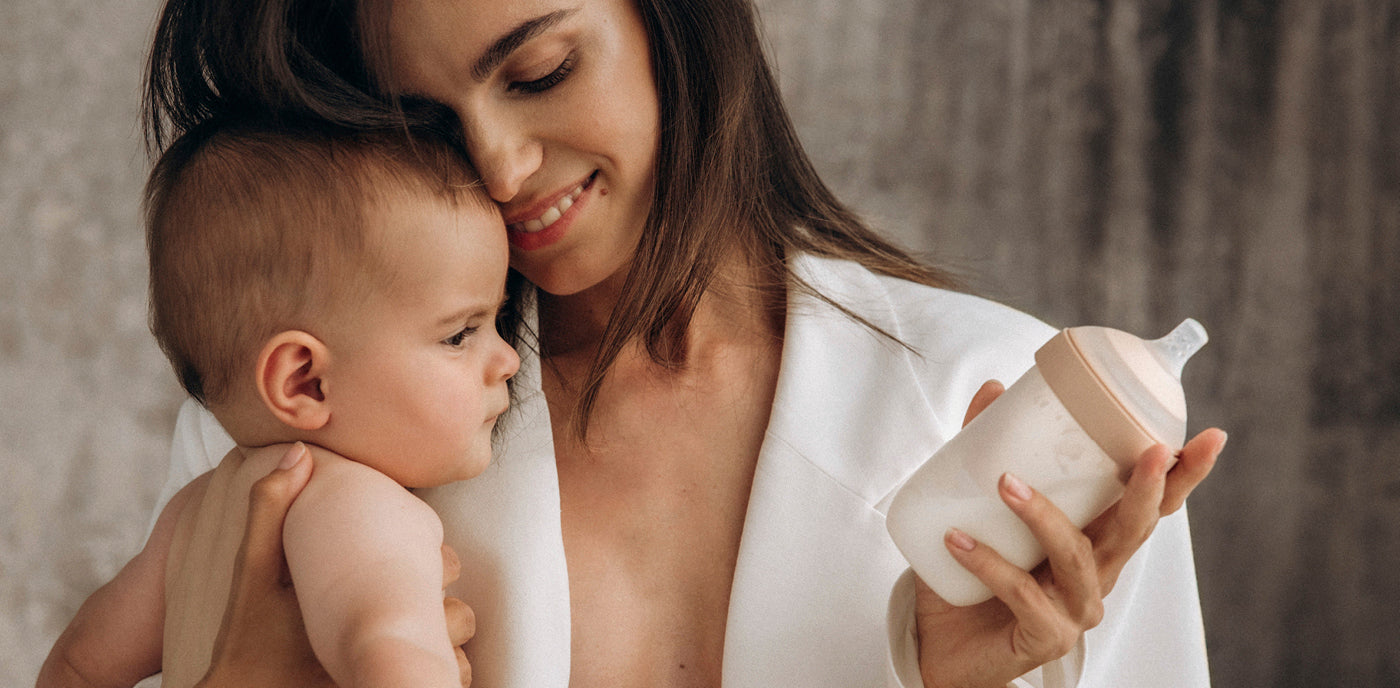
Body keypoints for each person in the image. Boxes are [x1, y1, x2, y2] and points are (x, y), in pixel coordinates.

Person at [140, 0, 1228, 686]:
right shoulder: (314, 426)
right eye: (425, 123)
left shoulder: (1013, 417)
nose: (501, 164)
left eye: (539, 72)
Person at [37, 123, 518, 688]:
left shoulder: (194, 514)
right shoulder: (357, 504)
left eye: (497, 321)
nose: (508, 358)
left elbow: (75, 667)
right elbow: (391, 655)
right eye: (461, 335)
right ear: (305, 382)